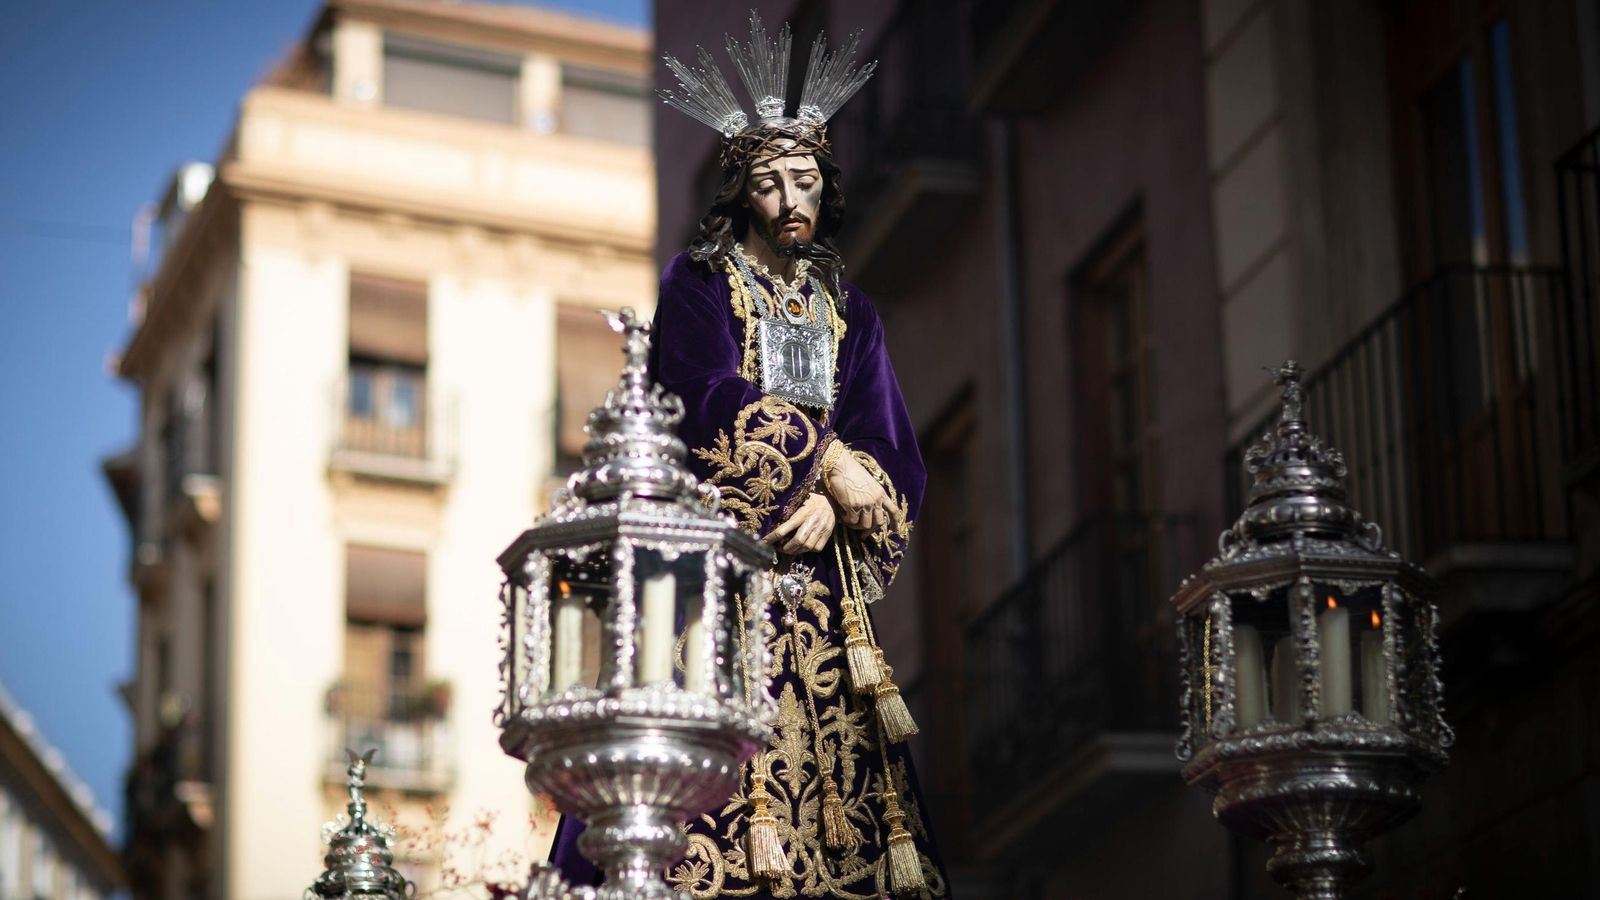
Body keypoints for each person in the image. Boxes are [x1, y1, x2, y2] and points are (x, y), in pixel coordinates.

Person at [551, 14, 948, 898]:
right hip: (726, 579)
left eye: (804, 179)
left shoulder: (853, 312)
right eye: (769, 183)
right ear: (743, 195)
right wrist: (820, 462)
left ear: (825, 188)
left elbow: (894, 445)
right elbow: (702, 394)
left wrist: (850, 486)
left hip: (827, 604)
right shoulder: (700, 285)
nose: (789, 198)